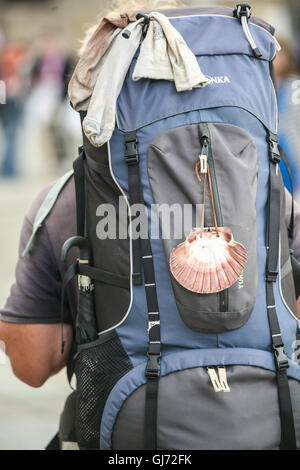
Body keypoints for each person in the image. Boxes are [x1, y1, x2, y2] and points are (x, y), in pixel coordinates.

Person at [0, 0, 299, 438]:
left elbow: (32, 365)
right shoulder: (271, 193)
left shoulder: (67, 199)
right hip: (271, 420)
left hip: (139, 419)